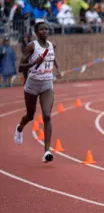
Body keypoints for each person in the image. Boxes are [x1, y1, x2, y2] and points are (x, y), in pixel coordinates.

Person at [14, 21, 62, 162]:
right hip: (32, 84)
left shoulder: (52, 45)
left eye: (47, 29)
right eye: (42, 29)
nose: (45, 31)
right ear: (36, 32)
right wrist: (35, 62)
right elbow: (20, 67)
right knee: (30, 115)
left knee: (47, 116)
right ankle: (20, 127)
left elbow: (53, 58)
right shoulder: (31, 46)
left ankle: (47, 151)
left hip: (47, 84)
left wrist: (58, 69)